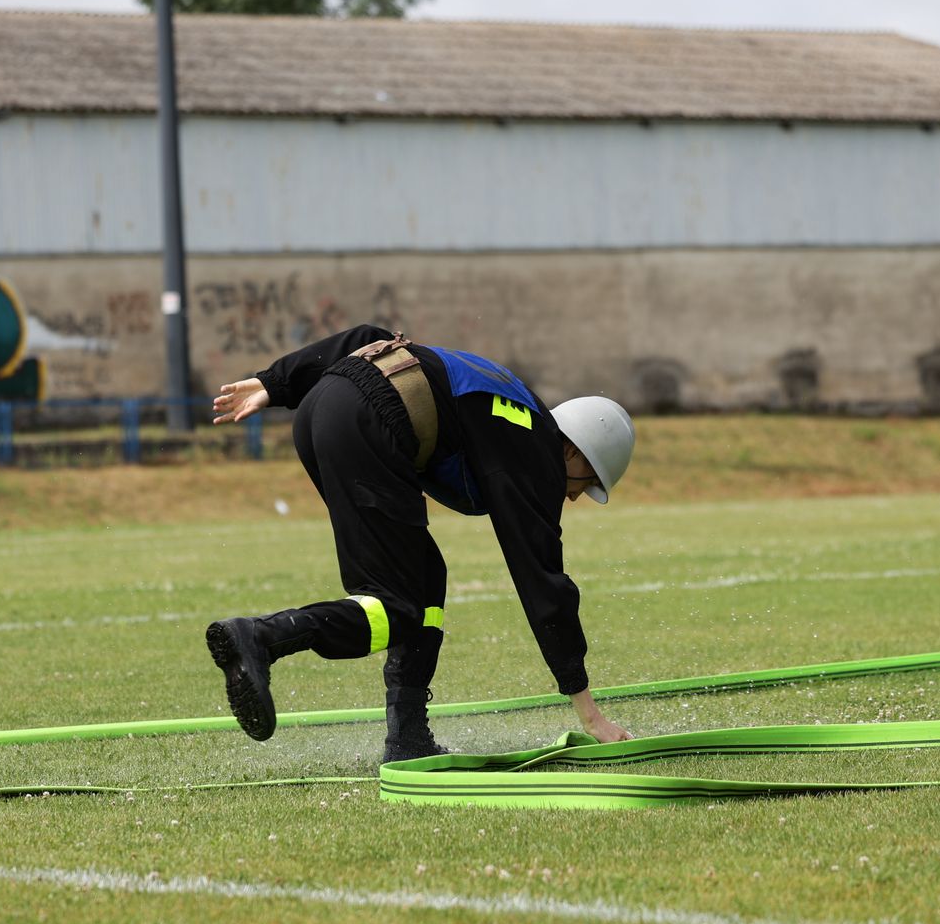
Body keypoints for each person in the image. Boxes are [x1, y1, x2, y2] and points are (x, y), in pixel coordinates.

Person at [205, 326, 637, 762]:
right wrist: (590, 714)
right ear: (575, 453)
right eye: (588, 482)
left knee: (426, 579)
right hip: (366, 421)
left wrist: (276, 383)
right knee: (396, 607)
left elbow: (373, 336)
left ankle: (408, 735)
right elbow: (541, 581)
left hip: (323, 406)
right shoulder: (536, 450)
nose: (575, 495)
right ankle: (261, 637)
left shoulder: (511, 400)